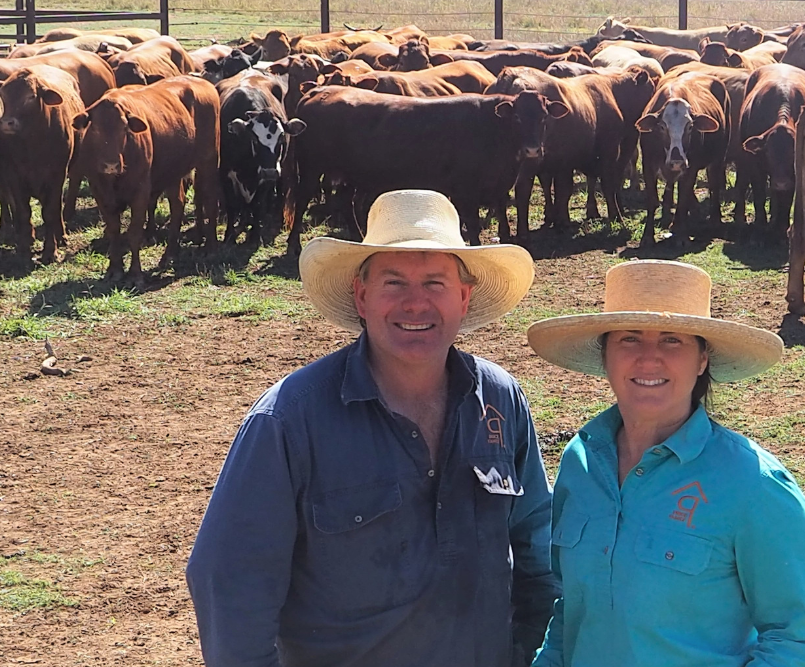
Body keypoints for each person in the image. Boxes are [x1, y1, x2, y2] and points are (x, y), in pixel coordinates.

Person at [186, 189, 558, 667]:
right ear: (361, 296)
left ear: (464, 298)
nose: (415, 304)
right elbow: (230, 582)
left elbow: (537, 551)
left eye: (435, 283)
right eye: (394, 283)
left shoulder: (500, 400)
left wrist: (527, 652)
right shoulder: (289, 420)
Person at [526, 260, 805, 667]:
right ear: (606, 356)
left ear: (702, 360)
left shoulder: (754, 484)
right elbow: (571, 611)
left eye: (672, 341)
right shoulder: (580, 463)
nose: (649, 359)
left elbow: (793, 637)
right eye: (629, 339)